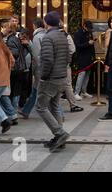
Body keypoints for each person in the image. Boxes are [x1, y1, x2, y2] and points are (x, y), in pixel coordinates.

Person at [36, 11, 71, 152]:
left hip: (50, 79)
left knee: (41, 107)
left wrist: (43, 76)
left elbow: (47, 60)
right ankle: (59, 138)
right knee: (54, 106)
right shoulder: (63, 36)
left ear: (46, 22)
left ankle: (60, 133)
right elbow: (69, 57)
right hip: (62, 77)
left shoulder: (48, 37)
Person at [19, 18, 46, 119]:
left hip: (39, 68)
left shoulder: (37, 37)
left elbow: (36, 54)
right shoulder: (45, 35)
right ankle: (26, 111)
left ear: (35, 25)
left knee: (43, 93)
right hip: (43, 67)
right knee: (35, 91)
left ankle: (59, 113)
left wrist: (37, 69)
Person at [60, 20, 83, 113]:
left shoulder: (49, 35)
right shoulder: (66, 35)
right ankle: (73, 105)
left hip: (54, 65)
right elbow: (72, 49)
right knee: (67, 85)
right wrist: (67, 58)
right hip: (65, 64)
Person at [73, 20, 95, 100]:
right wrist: (88, 43)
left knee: (87, 74)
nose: (89, 29)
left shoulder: (89, 33)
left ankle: (84, 91)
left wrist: (93, 56)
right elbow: (77, 46)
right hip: (81, 57)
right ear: (84, 26)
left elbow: (92, 46)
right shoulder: (78, 33)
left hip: (89, 57)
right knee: (81, 74)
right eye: (88, 28)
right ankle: (76, 93)